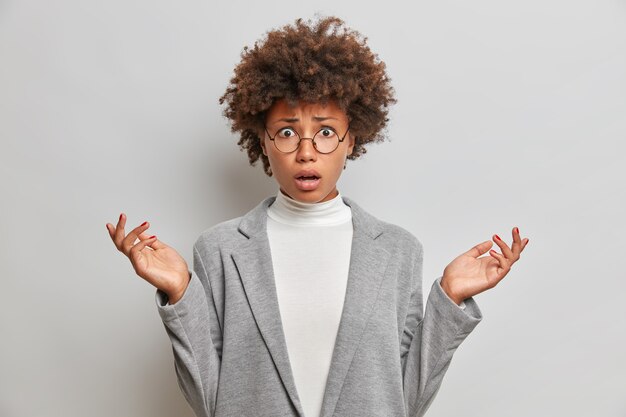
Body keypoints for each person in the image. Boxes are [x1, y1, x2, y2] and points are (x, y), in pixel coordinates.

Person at [106, 15, 528, 417]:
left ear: (352, 138)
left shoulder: (399, 251)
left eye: (326, 132)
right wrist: (181, 293)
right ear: (263, 141)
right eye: (287, 132)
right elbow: (211, 401)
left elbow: (402, 403)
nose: (306, 152)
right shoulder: (220, 250)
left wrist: (449, 299)